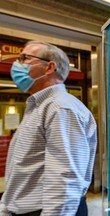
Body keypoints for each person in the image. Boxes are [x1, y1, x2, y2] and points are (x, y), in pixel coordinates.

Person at [0, 41, 97, 216]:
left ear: (49, 67)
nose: (16, 64)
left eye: (25, 58)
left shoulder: (60, 107)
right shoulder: (39, 106)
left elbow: (65, 179)